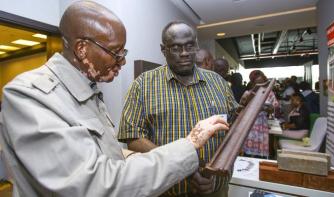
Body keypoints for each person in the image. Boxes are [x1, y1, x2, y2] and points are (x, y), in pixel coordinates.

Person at [0, 2, 230, 197]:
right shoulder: (30, 95)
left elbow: (108, 159)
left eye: (124, 52)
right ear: (82, 49)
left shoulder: (89, 92)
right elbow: (93, 183)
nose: (122, 61)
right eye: (115, 52)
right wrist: (188, 146)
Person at [118, 21, 237, 197]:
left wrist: (217, 169)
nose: (184, 53)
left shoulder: (218, 83)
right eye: (175, 48)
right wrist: (179, 165)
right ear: (163, 50)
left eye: (189, 45)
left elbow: (233, 129)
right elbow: (133, 136)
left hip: (216, 189)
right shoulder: (143, 85)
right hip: (168, 191)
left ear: (196, 45)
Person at [242, 70, 279, 158]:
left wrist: (269, 109)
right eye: (258, 83)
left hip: (262, 125)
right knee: (248, 152)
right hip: (250, 125)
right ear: (252, 83)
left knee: (261, 153)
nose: (261, 86)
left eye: (263, 83)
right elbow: (241, 110)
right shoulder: (248, 94)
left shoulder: (269, 93)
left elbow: (274, 108)